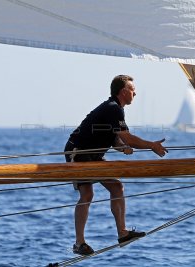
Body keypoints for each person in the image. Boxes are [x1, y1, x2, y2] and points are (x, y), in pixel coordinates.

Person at [64, 75, 168, 255]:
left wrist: (122, 148)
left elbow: (115, 140)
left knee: (117, 187)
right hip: (79, 152)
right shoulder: (113, 109)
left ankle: (122, 233)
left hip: (94, 155)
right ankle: (79, 243)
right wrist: (151, 145)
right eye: (132, 89)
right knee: (87, 194)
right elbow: (127, 137)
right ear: (123, 91)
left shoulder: (114, 109)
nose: (135, 93)